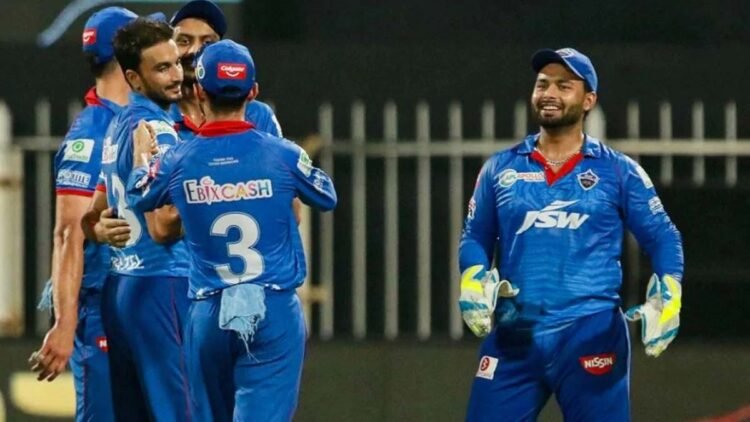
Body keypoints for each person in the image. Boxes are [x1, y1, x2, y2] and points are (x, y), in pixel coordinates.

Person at [457, 47, 684, 421]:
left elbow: (663, 235)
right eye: (542, 84)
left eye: (564, 86)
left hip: (591, 334)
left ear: (588, 100)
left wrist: (670, 290)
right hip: (515, 335)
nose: (549, 93)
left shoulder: (618, 171)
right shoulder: (500, 168)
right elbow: (475, 236)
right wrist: (472, 276)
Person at [125, 40, 336, 421]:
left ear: (199, 92)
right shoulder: (282, 154)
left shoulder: (180, 159)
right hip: (272, 310)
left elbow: (139, 194)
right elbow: (326, 196)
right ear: (253, 92)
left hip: (209, 311)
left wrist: (143, 154)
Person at [28, 7, 137, 421]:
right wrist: (65, 321)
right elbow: (67, 231)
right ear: (128, 57)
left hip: (137, 302)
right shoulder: (91, 135)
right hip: (102, 308)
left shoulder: (136, 121)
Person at [95, 17, 191, 421]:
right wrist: (206, 202)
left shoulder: (117, 125)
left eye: (176, 63)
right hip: (162, 283)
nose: (177, 76)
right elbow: (164, 225)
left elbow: (95, 212)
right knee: (180, 412)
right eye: (162, 68)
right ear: (133, 78)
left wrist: (100, 228)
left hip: (122, 286)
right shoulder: (158, 129)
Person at [169, 0, 282, 140]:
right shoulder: (155, 116)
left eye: (207, 42)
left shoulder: (258, 115)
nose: (194, 50)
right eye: (184, 41)